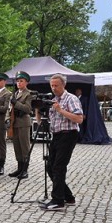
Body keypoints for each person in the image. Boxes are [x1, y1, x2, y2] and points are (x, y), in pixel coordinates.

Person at [40, 73, 84, 211]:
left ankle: (58, 200)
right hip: (57, 135)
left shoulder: (71, 99)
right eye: (51, 85)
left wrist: (60, 110)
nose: (53, 88)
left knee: (59, 167)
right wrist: (38, 109)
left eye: (56, 85)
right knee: (50, 167)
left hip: (69, 134)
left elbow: (79, 119)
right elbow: (46, 120)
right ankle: (68, 196)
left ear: (63, 85)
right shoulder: (53, 100)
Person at [8, 71, 33, 179]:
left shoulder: (29, 94)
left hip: (23, 122)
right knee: (17, 146)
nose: (19, 83)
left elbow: (28, 109)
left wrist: (16, 103)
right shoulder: (15, 93)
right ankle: (19, 168)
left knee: (24, 147)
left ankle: (25, 170)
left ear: (26, 82)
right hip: (15, 122)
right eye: (17, 81)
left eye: (21, 81)